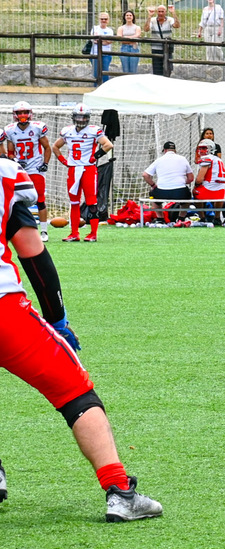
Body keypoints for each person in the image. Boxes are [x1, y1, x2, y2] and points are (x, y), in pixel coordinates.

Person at [0, 158, 163, 522]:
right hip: (4, 311)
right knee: (75, 392)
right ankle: (120, 491)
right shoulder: (6, 174)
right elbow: (33, 253)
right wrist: (57, 319)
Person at [52, 105, 112, 242]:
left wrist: (94, 157)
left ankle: (93, 233)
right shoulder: (67, 131)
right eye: (78, 117)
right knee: (74, 202)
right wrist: (63, 160)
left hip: (88, 169)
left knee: (92, 202)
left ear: (88, 118)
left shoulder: (94, 130)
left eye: (84, 117)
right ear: (73, 117)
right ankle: (74, 233)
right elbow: (55, 146)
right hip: (73, 169)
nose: (81, 120)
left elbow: (108, 145)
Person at [4, 102, 52, 241]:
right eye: (20, 113)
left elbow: (47, 147)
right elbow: (10, 152)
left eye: (25, 112)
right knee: (15, 200)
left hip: (35, 168)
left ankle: (44, 232)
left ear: (30, 113)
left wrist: (45, 163)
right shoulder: (10, 130)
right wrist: (15, 161)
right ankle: (17, 230)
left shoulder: (37, 127)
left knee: (40, 199)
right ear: (15, 115)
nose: (23, 115)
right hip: (19, 169)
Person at [142, 141, 194, 223]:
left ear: (165, 150)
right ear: (175, 150)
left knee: (152, 194)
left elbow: (145, 175)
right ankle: (181, 218)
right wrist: (182, 183)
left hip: (162, 192)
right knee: (187, 195)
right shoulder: (183, 159)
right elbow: (191, 178)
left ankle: (160, 218)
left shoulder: (159, 160)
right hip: (180, 192)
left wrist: (153, 185)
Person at [193, 139, 225, 224]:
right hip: (220, 192)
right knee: (219, 194)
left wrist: (196, 185)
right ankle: (217, 217)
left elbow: (199, 179)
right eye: (200, 148)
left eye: (204, 148)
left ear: (211, 149)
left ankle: (202, 217)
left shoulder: (207, 158)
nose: (201, 151)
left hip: (208, 191)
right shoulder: (219, 160)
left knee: (195, 192)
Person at [143, 5, 179, 77]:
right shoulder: (152, 20)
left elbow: (177, 25)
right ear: (157, 12)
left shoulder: (170, 20)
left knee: (168, 68)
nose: (161, 13)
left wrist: (173, 13)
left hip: (167, 48)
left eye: (162, 11)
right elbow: (146, 29)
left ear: (165, 12)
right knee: (157, 70)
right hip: (156, 48)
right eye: (159, 11)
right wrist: (149, 16)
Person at [90, 12, 114, 84]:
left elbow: (109, 41)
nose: (103, 20)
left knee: (105, 71)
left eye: (105, 19)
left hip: (106, 54)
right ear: (99, 19)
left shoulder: (110, 30)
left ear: (108, 20)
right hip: (95, 53)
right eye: (102, 19)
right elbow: (93, 40)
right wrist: (104, 41)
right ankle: (96, 87)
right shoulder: (95, 28)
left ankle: (105, 87)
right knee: (96, 72)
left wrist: (100, 41)